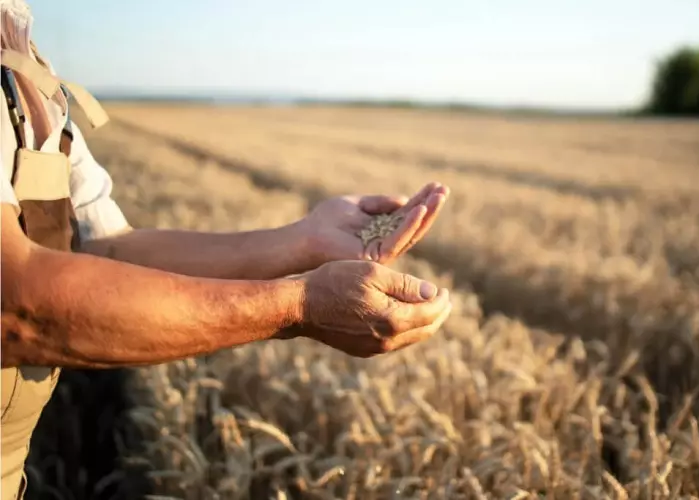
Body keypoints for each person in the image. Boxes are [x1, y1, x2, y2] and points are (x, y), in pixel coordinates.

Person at [0, 1, 452, 498]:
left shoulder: (22, 55)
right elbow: (15, 305)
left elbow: (103, 250)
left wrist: (304, 240)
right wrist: (298, 306)